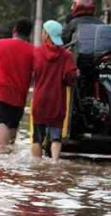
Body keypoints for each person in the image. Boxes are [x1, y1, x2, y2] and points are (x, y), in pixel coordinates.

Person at [31, 20, 77, 162]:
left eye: (43, 31)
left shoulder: (36, 52)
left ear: (47, 35)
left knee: (37, 138)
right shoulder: (66, 56)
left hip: (40, 101)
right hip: (57, 101)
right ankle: (55, 163)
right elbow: (71, 78)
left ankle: (37, 165)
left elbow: (32, 74)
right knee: (56, 136)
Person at [0, 19, 34, 150]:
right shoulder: (33, 51)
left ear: (14, 30)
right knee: (13, 124)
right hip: (19, 95)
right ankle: (9, 154)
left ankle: (2, 153)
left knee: (0, 122)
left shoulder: (0, 44)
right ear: (29, 34)